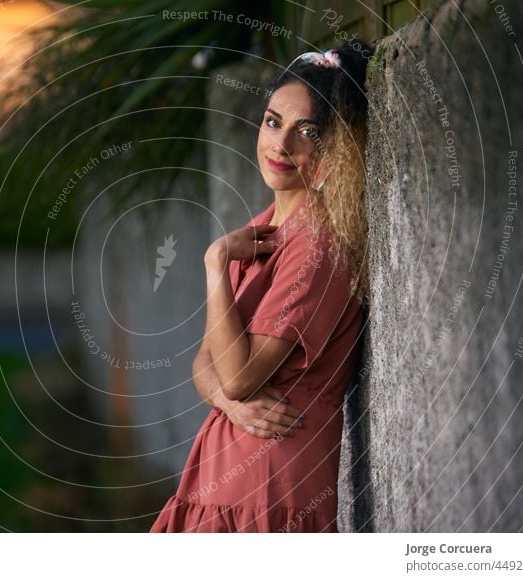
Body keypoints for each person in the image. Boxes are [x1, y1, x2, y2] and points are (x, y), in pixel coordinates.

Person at [149, 40, 373, 533]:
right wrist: (229, 403)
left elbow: (238, 375)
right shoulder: (265, 230)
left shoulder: (318, 247)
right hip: (219, 482)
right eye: (273, 122)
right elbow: (204, 364)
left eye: (306, 132)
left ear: (336, 146)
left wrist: (214, 264)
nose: (281, 145)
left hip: (270, 495)